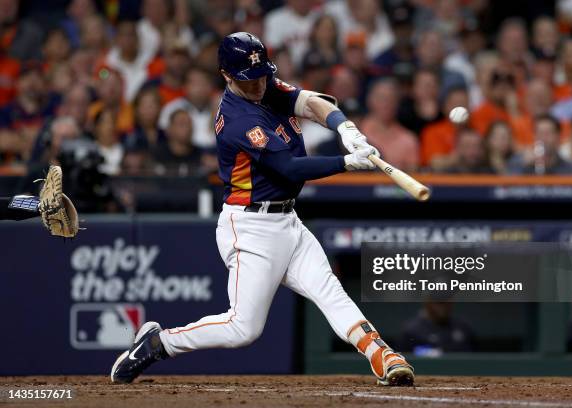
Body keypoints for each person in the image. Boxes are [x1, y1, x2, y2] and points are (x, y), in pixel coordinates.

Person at [111, 31, 414, 387]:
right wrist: (346, 162)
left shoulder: (263, 82)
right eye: (248, 79)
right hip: (250, 227)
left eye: (261, 76)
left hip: (288, 219)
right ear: (227, 75)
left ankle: (382, 354)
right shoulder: (238, 119)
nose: (258, 85)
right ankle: (160, 342)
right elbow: (290, 168)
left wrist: (344, 126)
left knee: (328, 289)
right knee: (243, 328)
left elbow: (311, 101)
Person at [507, 114, 572, 175]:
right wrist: (524, 165)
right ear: (534, 136)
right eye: (540, 133)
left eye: (548, 133)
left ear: (558, 136)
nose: (543, 138)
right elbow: (506, 188)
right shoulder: (517, 163)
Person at [400, 301, 475, 354]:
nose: (443, 306)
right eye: (438, 302)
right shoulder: (411, 330)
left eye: (446, 301)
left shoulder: (463, 327)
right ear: (427, 302)